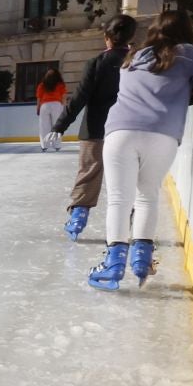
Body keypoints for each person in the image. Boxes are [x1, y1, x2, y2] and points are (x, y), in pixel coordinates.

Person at [88, 12, 193, 290]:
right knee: (147, 195)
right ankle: (141, 260)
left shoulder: (133, 57)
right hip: (163, 134)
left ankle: (113, 265)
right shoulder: (187, 54)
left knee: (119, 199)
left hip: (120, 132)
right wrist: (192, 87)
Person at [53, 15, 136, 240]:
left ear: (107, 37)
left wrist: (60, 125)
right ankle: (128, 217)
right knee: (126, 175)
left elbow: (80, 97)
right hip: (129, 128)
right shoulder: (137, 63)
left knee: (89, 171)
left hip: (96, 128)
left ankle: (78, 217)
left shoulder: (97, 62)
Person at [34, 67, 68, 151]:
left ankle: (45, 145)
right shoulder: (60, 85)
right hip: (57, 105)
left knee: (44, 126)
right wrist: (64, 108)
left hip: (44, 105)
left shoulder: (42, 85)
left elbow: (39, 98)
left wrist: (38, 108)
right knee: (57, 125)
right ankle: (57, 145)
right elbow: (64, 97)